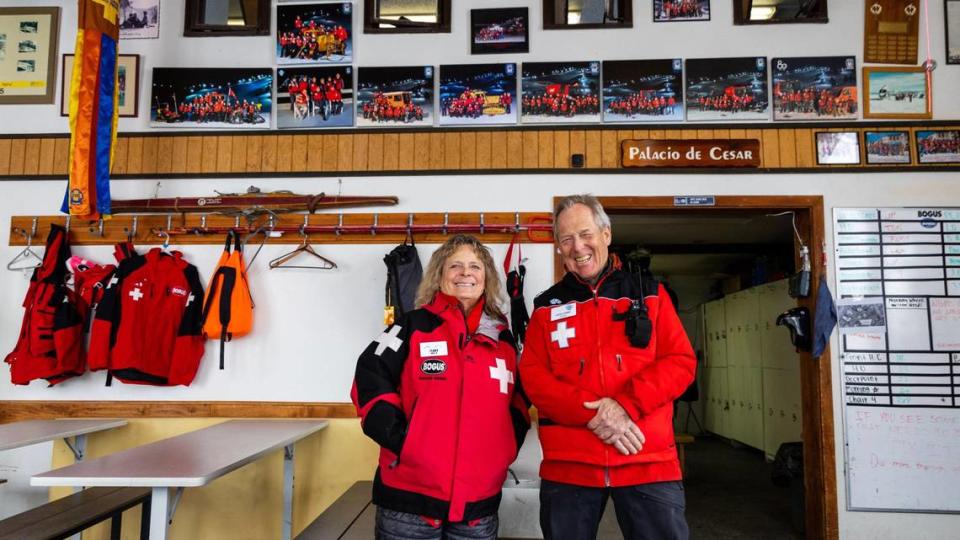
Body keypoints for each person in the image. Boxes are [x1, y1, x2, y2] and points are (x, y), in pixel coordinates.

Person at [520, 194, 696, 540]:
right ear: (558, 246)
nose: (578, 247)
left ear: (606, 234)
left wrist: (625, 407)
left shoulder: (651, 294)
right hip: (570, 466)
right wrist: (593, 414)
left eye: (585, 234)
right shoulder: (545, 307)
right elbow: (534, 377)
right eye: (566, 239)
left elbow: (680, 362)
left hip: (647, 460)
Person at [352, 234, 530, 540]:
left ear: (486, 278)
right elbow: (370, 376)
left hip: (478, 506)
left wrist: (504, 446)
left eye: (475, 266)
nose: (465, 273)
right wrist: (404, 440)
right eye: (455, 265)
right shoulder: (413, 326)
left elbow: (520, 400)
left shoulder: (503, 339)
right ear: (439, 275)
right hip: (408, 502)